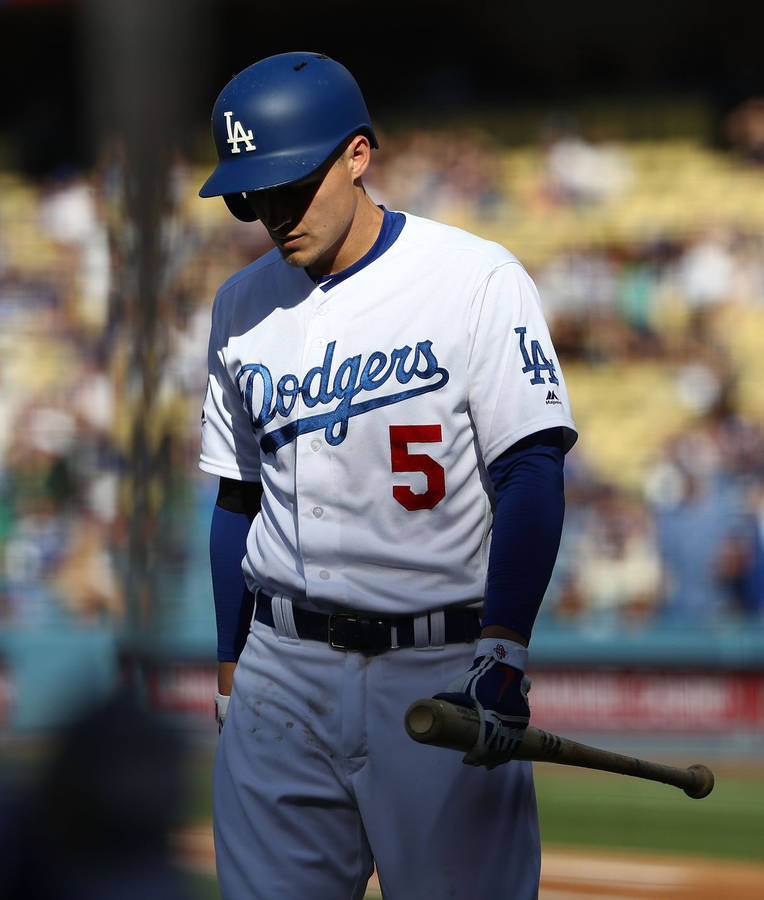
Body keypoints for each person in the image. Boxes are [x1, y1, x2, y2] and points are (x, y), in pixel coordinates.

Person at [198, 51, 578, 899]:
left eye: (291, 185)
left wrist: (504, 653)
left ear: (359, 155)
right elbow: (236, 500)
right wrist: (231, 674)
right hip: (280, 670)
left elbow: (530, 470)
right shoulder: (239, 304)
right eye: (252, 196)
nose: (272, 213)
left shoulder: (474, 277)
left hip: (436, 665)